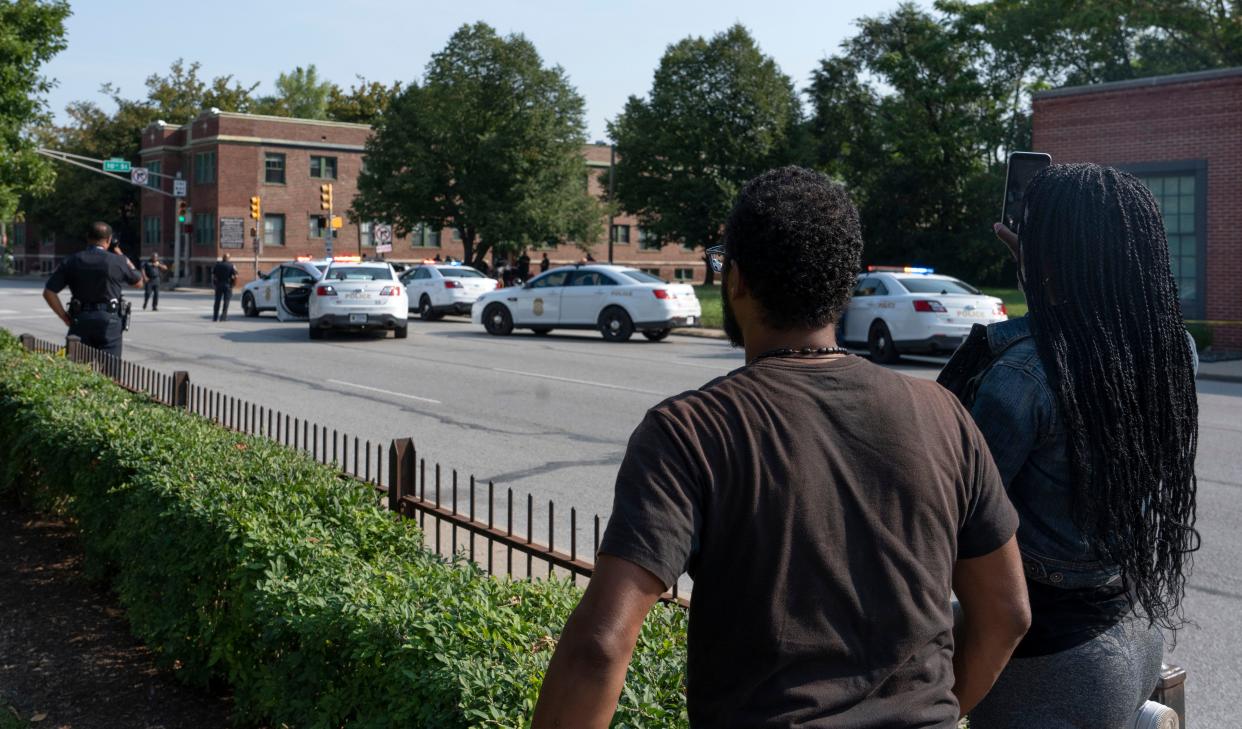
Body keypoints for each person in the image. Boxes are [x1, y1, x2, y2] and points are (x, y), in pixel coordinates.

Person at [532, 167, 1030, 728]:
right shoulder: (945, 416)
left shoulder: (690, 431)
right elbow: (1007, 613)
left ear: (736, 280)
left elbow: (600, 646)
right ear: (843, 291)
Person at [942, 164, 1199, 728]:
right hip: (1131, 635)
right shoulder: (1172, 348)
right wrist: (1046, 268)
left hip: (1047, 664)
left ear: (1051, 257)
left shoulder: (1022, 374)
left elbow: (946, 511)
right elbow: (1088, 325)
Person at [42, 221, 143, 359]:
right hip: (109, 321)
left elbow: (49, 292)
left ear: (87, 237)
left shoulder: (72, 260)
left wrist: (64, 317)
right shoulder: (117, 261)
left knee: (78, 369)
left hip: (80, 319)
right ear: (108, 240)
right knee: (110, 371)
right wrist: (120, 253)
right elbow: (138, 282)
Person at [211, 253, 238, 322]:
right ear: (229, 258)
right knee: (226, 302)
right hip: (227, 285)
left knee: (217, 301)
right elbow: (236, 276)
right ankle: (223, 317)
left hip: (219, 285)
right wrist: (233, 284)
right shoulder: (231, 266)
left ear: (222, 258)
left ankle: (215, 317)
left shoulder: (217, 265)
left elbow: (214, 276)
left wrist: (215, 284)